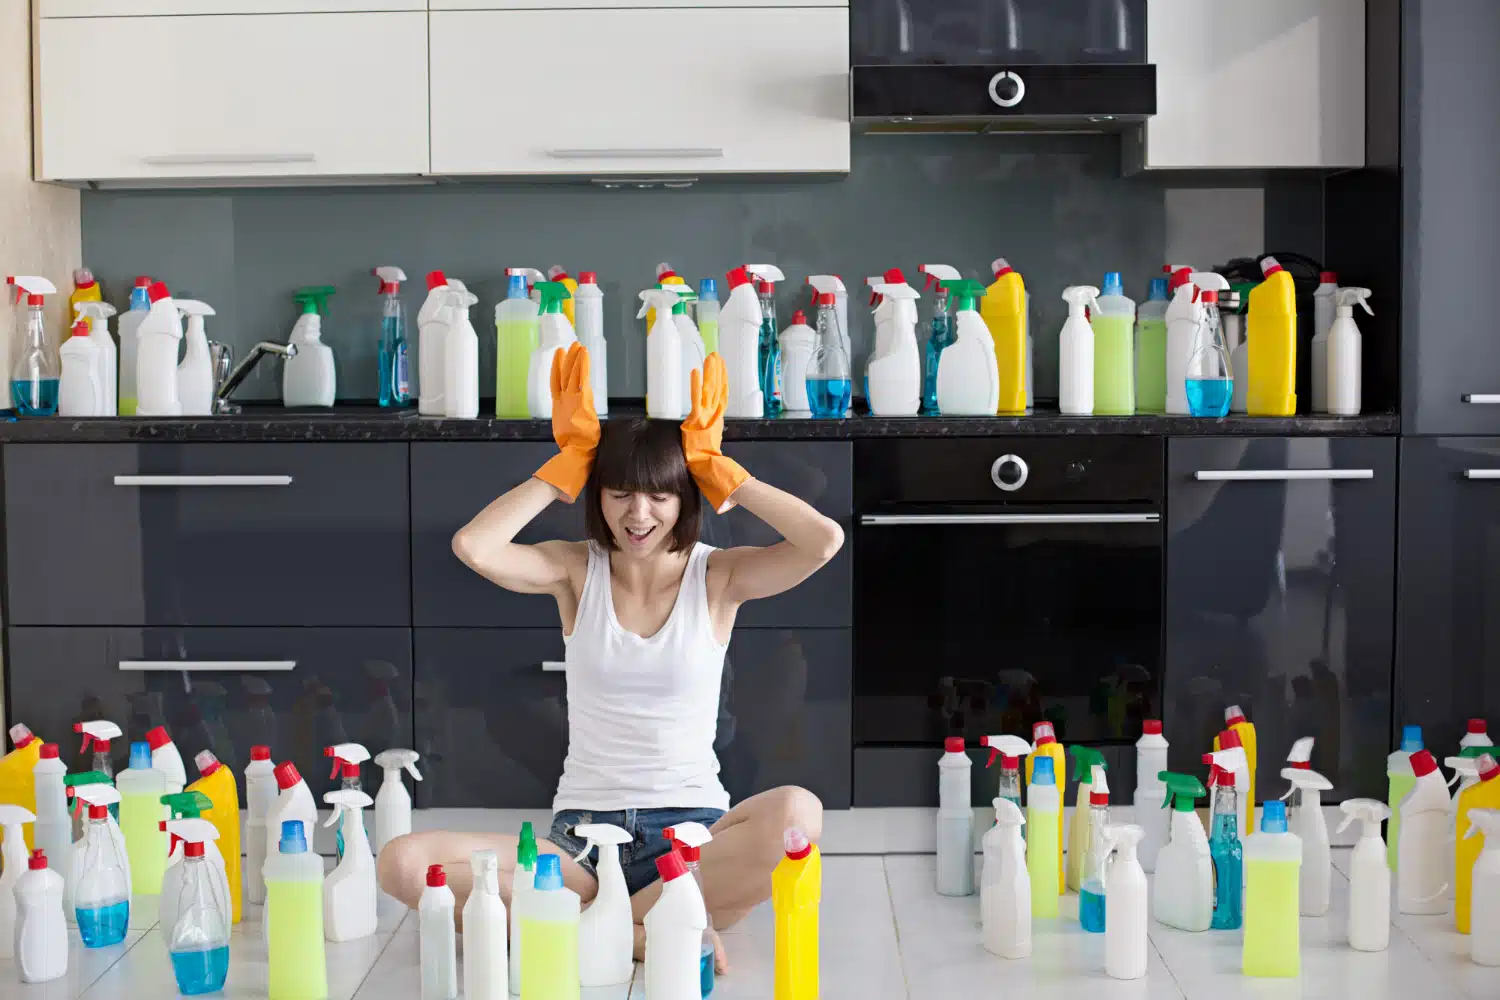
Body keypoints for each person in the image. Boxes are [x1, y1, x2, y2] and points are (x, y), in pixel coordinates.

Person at [378, 345, 844, 966]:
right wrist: (567, 464)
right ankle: (649, 929)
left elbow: (823, 540)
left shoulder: (719, 577)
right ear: (596, 497)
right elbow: (474, 545)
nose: (639, 514)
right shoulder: (576, 571)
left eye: (660, 496)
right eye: (620, 494)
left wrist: (720, 467)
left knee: (799, 814)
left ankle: (603, 929)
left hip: (693, 844)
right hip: (581, 849)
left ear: (686, 499)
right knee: (402, 863)